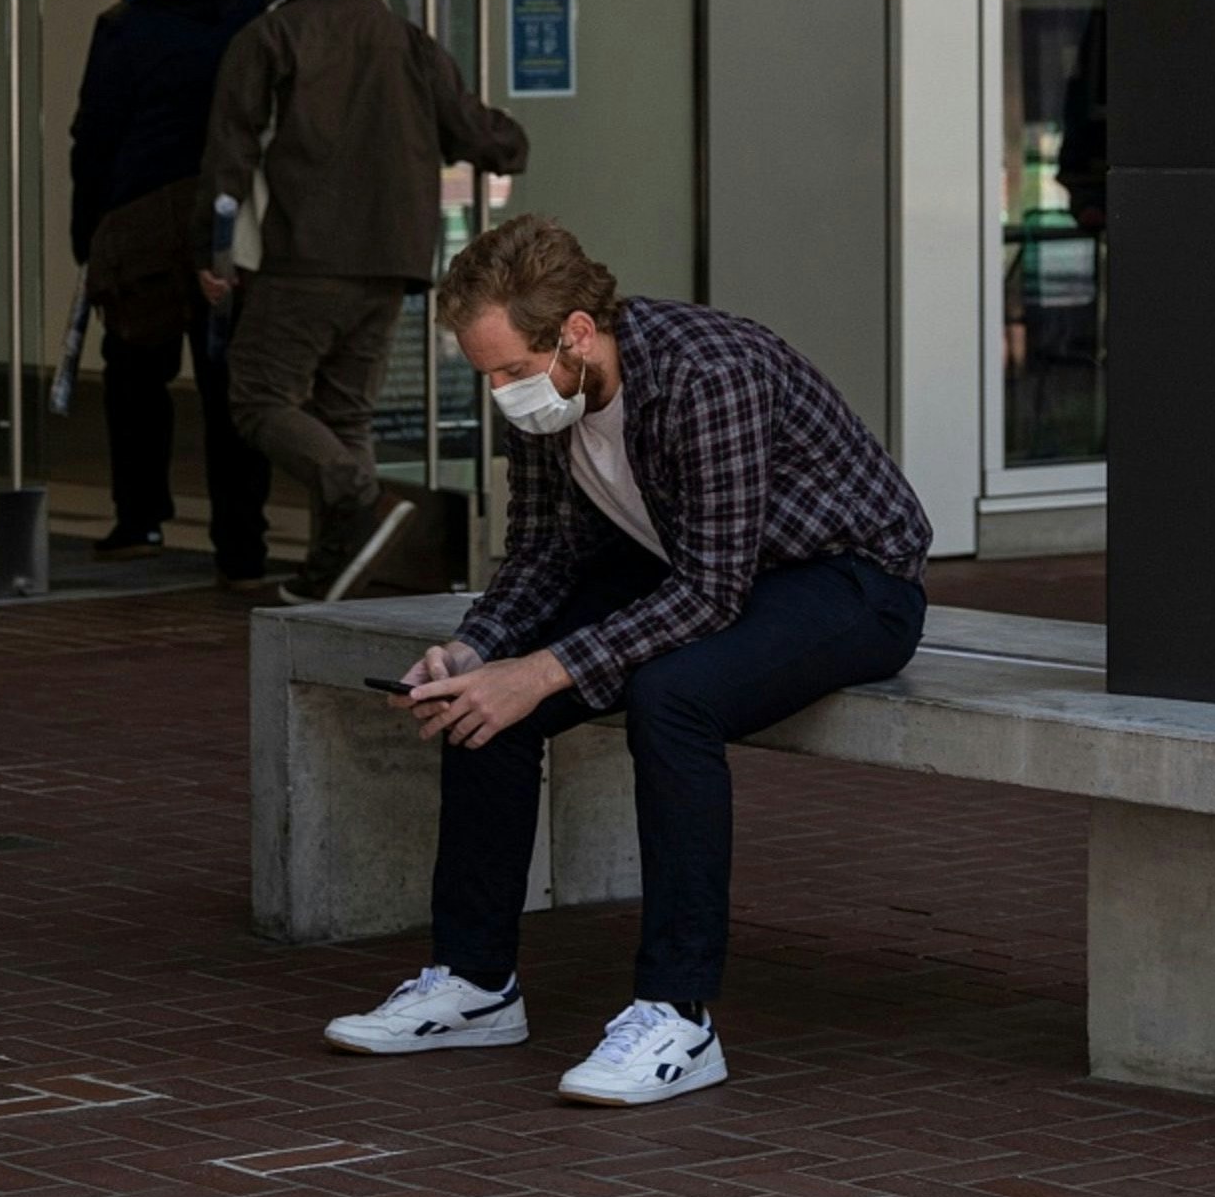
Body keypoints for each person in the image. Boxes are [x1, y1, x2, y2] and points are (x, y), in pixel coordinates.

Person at [321, 214, 933, 1108]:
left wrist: (538, 671)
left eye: (512, 371)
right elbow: (538, 554)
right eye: (485, 373)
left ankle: (678, 1016)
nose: (501, 393)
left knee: (671, 693)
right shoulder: (550, 395)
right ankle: (474, 981)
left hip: (849, 579)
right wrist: (474, 649)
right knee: (487, 689)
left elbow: (713, 594)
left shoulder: (704, 373)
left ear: (575, 331)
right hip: (692, 558)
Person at [199, 0, 526, 601]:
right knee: (345, 414)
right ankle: (327, 577)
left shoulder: (273, 34)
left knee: (258, 398)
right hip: (394, 263)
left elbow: (229, 155)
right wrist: (510, 140)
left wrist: (216, 253)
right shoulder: (412, 43)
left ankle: (353, 488)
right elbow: (482, 135)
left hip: (302, 257)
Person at [69, 0, 275, 578]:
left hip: (143, 219)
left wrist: (88, 236)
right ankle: (242, 544)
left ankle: (141, 517)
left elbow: (95, 137)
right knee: (228, 381)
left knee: (133, 372)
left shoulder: (127, 24)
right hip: (235, 215)